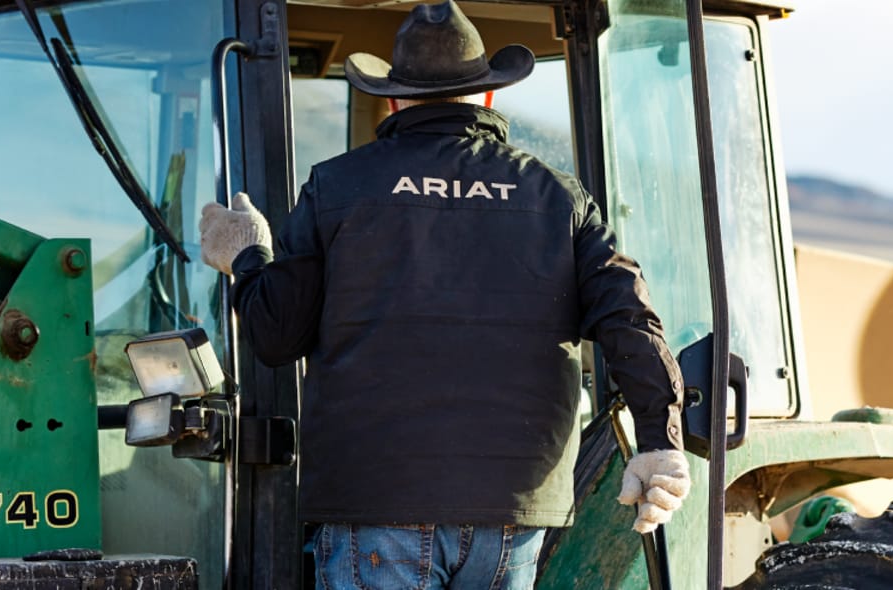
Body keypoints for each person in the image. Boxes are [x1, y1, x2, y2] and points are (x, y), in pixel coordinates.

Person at [196, 2, 689, 587]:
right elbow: (629, 316)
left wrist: (248, 255)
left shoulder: (337, 186)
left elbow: (277, 336)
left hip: (377, 501)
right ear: (487, 96)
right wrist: (660, 441)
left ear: (393, 101)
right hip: (514, 510)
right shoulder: (561, 198)